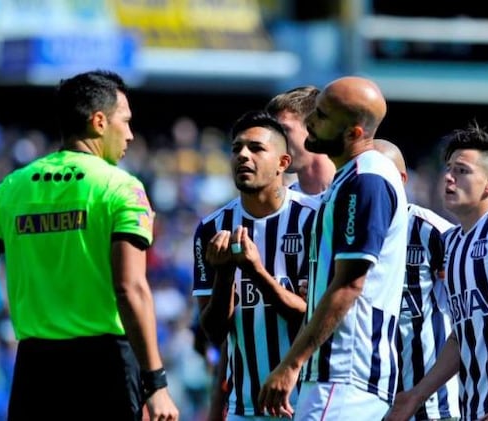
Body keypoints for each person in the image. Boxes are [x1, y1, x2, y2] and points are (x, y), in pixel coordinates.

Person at [0, 70, 179, 421]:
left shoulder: (13, 187)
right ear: (99, 122)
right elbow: (130, 288)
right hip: (106, 366)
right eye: (125, 122)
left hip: (35, 369)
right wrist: (156, 383)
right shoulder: (121, 188)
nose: (130, 134)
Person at [257, 76, 409, 420]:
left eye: (322, 116)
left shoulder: (366, 177)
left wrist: (291, 363)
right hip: (339, 373)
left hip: (344, 370)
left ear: (354, 133)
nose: (310, 120)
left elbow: (350, 285)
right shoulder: (349, 177)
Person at [385, 124, 488, 421]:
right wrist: (417, 395)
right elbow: (462, 335)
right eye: (448, 168)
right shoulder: (451, 242)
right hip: (472, 408)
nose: (448, 177)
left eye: (462, 170)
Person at [192, 110, 319, 419]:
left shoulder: (315, 218)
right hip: (244, 406)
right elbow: (214, 331)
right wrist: (224, 273)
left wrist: (255, 271)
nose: (243, 156)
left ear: (283, 163)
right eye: (236, 149)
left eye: (256, 148)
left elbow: (314, 317)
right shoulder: (212, 227)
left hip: (308, 402)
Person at [374, 139, 461, 421]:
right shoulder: (346, 231)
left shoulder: (433, 232)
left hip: (432, 405)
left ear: (401, 179)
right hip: (367, 400)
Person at [265, 85, 336, 196]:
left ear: (314, 128)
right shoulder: (282, 203)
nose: (271, 142)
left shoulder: (354, 191)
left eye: (283, 130)